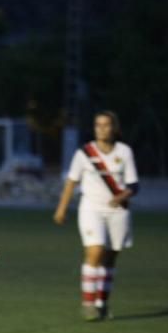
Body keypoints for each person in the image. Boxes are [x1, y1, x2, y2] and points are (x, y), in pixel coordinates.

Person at [54, 110, 139, 321]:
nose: (101, 128)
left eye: (106, 124)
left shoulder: (124, 152)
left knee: (110, 258)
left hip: (118, 211)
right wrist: (62, 208)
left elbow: (133, 185)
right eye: (98, 125)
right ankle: (88, 304)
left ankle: (102, 302)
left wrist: (121, 197)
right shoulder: (84, 153)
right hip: (90, 208)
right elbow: (71, 181)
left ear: (114, 128)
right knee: (95, 251)